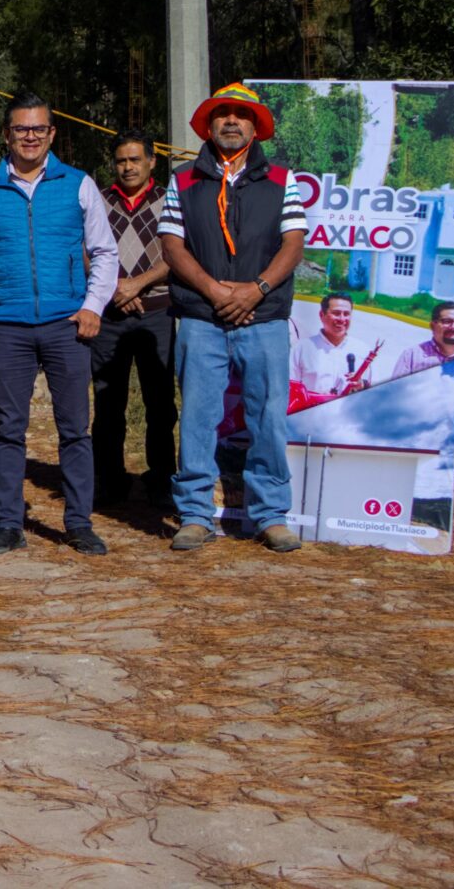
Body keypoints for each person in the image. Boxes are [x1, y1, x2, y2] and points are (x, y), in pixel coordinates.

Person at [0, 92, 119, 557]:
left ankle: (79, 523)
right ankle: (9, 523)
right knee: (8, 429)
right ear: (7, 134)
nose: (30, 136)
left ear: (52, 134)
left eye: (39, 129)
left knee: (74, 429)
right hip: (7, 325)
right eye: (21, 129)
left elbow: (105, 253)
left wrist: (92, 306)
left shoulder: (78, 184)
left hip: (68, 325)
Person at [160, 82, 309, 553]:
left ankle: (270, 515)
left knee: (267, 418)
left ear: (254, 126)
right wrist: (212, 289)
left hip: (263, 317)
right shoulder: (183, 179)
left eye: (240, 115)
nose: (231, 121)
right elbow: (171, 244)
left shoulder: (284, 180)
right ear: (209, 123)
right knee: (199, 418)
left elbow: (293, 243)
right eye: (222, 114)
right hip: (202, 318)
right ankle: (195, 514)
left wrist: (256, 289)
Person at [90, 128, 177, 508]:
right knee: (109, 403)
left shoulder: (171, 199)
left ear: (152, 160)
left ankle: (161, 481)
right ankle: (109, 482)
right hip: (109, 314)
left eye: (135, 160)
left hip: (158, 313)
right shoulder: (98, 200)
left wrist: (137, 285)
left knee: (160, 404)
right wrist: (114, 290)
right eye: (121, 161)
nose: (127, 167)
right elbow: (84, 249)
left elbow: (179, 253)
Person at [291, 292, 373, 406]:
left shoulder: (363, 350)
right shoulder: (302, 348)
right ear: (321, 314)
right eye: (336, 313)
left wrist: (361, 385)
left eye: (346, 314)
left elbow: (370, 394)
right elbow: (290, 390)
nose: (342, 319)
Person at [392, 301, 454, 380]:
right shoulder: (411, 356)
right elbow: (395, 390)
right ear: (432, 325)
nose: (453, 327)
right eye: (447, 321)